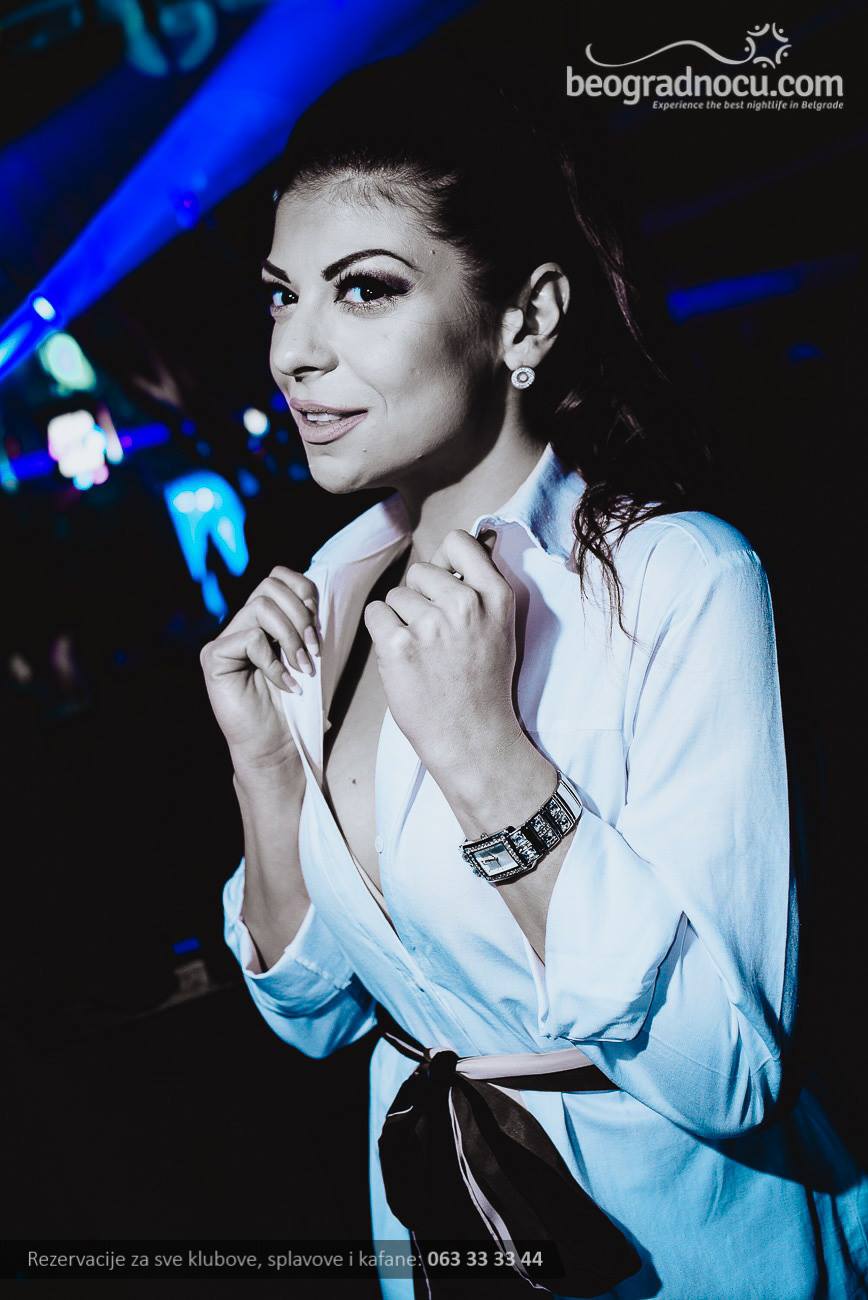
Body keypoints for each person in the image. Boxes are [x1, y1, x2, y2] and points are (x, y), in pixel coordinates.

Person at [200, 49, 868, 1300]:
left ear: (526, 320)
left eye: (363, 289)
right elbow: (316, 1020)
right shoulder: (326, 596)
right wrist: (267, 771)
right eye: (282, 295)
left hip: (692, 1246)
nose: (294, 350)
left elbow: (733, 1075)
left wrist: (488, 763)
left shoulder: (674, 578)